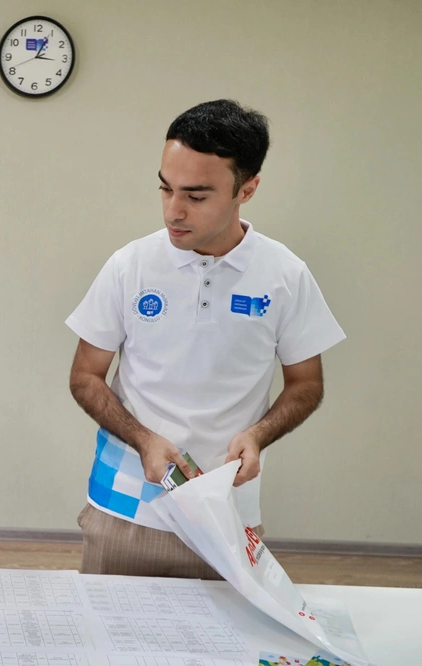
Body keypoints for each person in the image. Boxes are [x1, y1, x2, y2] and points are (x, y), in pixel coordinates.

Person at [66, 100, 345, 578]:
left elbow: (306, 384)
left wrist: (257, 436)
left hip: (228, 514)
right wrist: (144, 440)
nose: (173, 210)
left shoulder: (285, 275)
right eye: (165, 188)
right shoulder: (129, 266)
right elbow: (85, 377)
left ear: (247, 189)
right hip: (125, 506)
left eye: (195, 196)